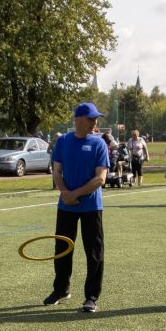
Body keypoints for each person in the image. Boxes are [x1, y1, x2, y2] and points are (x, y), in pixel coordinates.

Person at [44, 102, 110, 312]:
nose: (94, 122)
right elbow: (56, 171)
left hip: (91, 207)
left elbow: (100, 178)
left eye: (95, 119)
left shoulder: (99, 144)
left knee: (94, 252)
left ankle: (91, 297)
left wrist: (75, 194)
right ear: (78, 119)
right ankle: (61, 290)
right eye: (91, 118)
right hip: (66, 206)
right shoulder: (63, 141)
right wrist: (65, 193)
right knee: (62, 250)